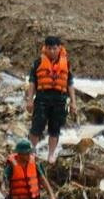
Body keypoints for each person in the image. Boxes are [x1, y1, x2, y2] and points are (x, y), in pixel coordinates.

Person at [27, 35, 71, 165]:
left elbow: (70, 83)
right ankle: (33, 151)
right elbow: (32, 82)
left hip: (60, 99)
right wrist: (29, 100)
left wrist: (73, 102)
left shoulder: (66, 63)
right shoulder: (38, 62)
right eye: (49, 48)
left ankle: (51, 154)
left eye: (55, 48)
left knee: (55, 129)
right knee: (36, 126)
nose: (52, 51)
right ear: (45, 48)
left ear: (59, 48)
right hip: (42, 97)